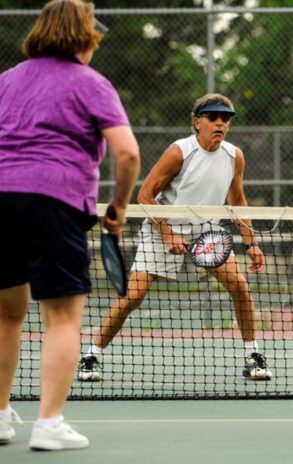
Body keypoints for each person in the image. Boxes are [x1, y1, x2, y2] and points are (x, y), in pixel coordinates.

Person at [0, 0, 140, 450]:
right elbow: (129, 153)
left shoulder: (6, 80)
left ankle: (0, 417)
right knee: (62, 319)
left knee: (5, 315)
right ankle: (49, 424)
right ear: (84, 37)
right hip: (54, 202)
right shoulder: (91, 84)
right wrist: (117, 207)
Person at [76, 93, 273, 384]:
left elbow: (238, 200)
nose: (220, 124)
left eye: (225, 119)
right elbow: (145, 194)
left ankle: (252, 356)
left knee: (240, 287)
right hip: (162, 227)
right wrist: (167, 233)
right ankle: (91, 356)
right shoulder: (179, 151)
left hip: (206, 231)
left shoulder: (234, 156)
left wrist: (251, 243)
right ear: (197, 122)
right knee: (133, 296)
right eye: (213, 118)